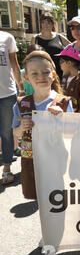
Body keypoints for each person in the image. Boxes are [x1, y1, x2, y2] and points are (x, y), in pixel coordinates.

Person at [12, 51, 73, 199]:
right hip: (31, 162)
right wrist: (21, 128)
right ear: (26, 78)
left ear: (53, 75)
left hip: (57, 160)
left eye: (46, 72)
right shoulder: (21, 104)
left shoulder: (63, 102)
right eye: (35, 74)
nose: (41, 77)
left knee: (58, 199)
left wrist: (62, 117)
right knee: (39, 198)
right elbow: (15, 133)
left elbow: (72, 132)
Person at [0, 30, 24, 185]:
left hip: (6, 94)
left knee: (7, 132)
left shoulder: (7, 38)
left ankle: (7, 168)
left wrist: (21, 88)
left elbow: (15, 66)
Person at [31, 13, 70, 79]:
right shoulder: (35, 38)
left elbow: (73, 48)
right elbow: (31, 57)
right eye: (43, 22)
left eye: (48, 22)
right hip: (43, 74)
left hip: (60, 73)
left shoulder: (59, 37)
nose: (45, 25)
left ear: (52, 24)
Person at [54, 45, 80, 112]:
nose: (60, 65)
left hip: (76, 118)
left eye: (61, 62)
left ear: (69, 63)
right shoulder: (65, 77)